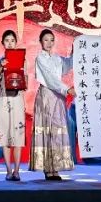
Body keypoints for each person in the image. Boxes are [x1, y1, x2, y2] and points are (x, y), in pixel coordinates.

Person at [30, 29, 74, 181]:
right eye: (46, 40)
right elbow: (50, 79)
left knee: (57, 131)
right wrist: (67, 89)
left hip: (58, 97)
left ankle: (56, 167)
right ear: (41, 42)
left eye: (51, 40)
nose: (49, 43)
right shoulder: (40, 58)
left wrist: (75, 51)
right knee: (48, 130)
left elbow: (68, 65)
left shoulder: (57, 58)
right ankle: (48, 168)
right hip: (47, 96)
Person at [0, 30, 26, 181]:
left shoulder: (23, 59)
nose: (10, 43)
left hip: (17, 99)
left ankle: (17, 171)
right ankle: (8, 170)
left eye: (12, 40)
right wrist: (1, 65)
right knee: (4, 135)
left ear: (16, 42)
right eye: (7, 40)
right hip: (3, 99)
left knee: (18, 135)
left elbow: (25, 80)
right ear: (2, 43)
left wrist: (24, 100)